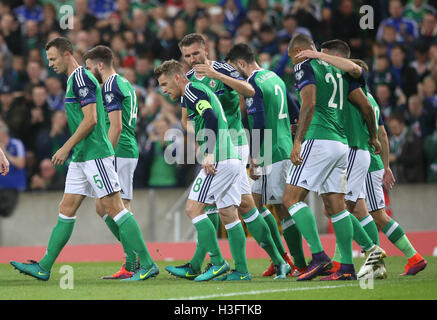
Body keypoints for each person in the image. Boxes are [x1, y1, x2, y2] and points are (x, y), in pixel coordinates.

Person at [10, 37, 157, 282]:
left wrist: (65, 147)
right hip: (82, 156)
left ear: (68, 55)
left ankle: (147, 263)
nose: (50, 64)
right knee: (67, 208)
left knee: (115, 208)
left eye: (54, 58)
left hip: (95, 153)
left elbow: (91, 120)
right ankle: (44, 266)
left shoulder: (80, 78)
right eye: (48, 60)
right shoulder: (74, 80)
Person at [167, 33, 294, 280]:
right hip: (213, 147)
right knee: (244, 206)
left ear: (206, 49)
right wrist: (202, 138)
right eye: (188, 56)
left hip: (234, 145)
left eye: (196, 53)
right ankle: (280, 261)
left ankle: (208, 264)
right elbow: (186, 120)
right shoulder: (189, 79)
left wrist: (218, 76)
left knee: (212, 206)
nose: (193, 59)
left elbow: (250, 90)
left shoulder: (224, 69)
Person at [283, 34, 384, 281]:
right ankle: (347, 268)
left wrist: (298, 141)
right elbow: (365, 103)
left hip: (318, 139)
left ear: (297, 52)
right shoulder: (338, 68)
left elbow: (309, 102)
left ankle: (319, 257)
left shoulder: (303, 64)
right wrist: (373, 135)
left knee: (290, 198)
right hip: (341, 145)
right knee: (335, 206)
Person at [155, 59, 249, 281]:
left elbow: (212, 118)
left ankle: (217, 262)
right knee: (228, 213)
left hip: (221, 159)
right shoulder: (199, 90)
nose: (164, 90)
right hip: (231, 158)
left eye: (165, 84)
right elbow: (204, 119)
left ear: (178, 78)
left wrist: (209, 153)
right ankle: (242, 271)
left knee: (193, 209)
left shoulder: (192, 91)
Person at [225, 43, 308, 277]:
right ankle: (280, 257)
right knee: (255, 204)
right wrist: (292, 134)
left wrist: (254, 158)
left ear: (241, 63)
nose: (234, 75)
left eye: (234, 69)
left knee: (283, 209)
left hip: (272, 153)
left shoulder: (252, 84)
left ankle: (299, 264)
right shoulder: (274, 77)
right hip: (280, 146)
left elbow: (258, 123)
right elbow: (295, 109)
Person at [84, 45, 141, 279]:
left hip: (119, 150)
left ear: (100, 65)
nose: (88, 74)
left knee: (121, 207)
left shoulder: (109, 86)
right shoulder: (124, 82)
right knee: (103, 206)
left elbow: (116, 126)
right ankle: (134, 255)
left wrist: (105, 156)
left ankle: (135, 261)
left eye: (89, 68)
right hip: (124, 149)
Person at [365, 90, 427, 276]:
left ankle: (410, 258)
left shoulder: (354, 97)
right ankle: (372, 264)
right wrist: (386, 165)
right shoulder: (372, 100)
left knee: (374, 214)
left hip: (366, 163)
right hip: (372, 163)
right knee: (360, 211)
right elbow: (383, 134)